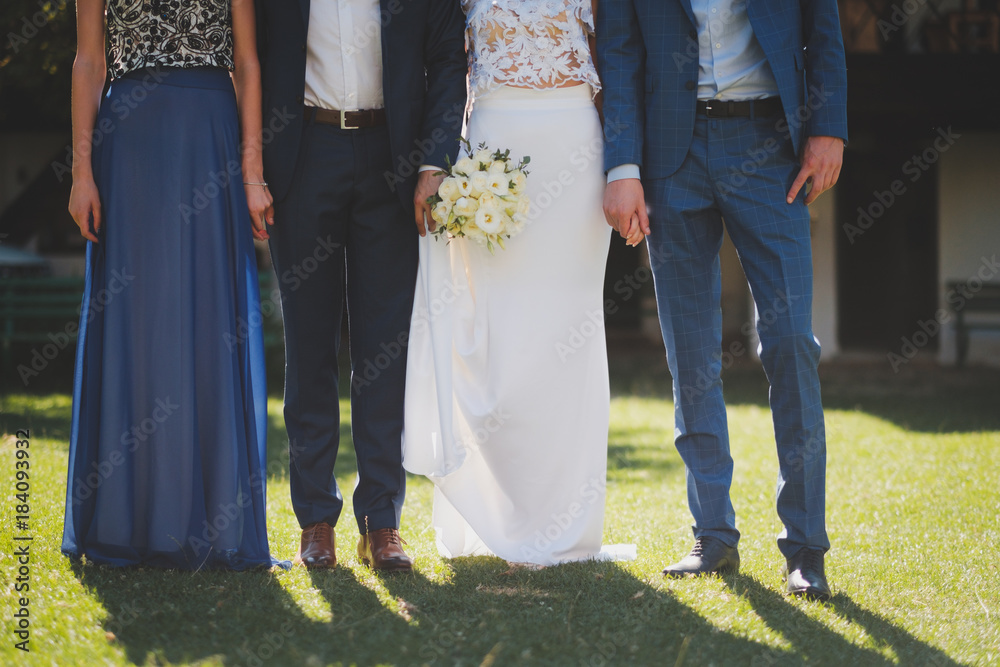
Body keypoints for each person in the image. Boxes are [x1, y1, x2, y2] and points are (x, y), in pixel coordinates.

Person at [598, 0, 848, 598]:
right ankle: (712, 535)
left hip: (769, 145)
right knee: (692, 353)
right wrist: (622, 165)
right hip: (669, 157)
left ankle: (806, 548)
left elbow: (823, 31)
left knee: (791, 343)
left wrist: (828, 128)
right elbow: (620, 52)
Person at [402, 0, 635, 566]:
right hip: (491, 144)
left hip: (575, 148)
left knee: (568, 335)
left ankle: (567, 524)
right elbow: (441, 60)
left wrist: (625, 166)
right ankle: (492, 513)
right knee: (495, 334)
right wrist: (440, 159)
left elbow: (620, 58)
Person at [63, 0, 283, 569]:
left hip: (210, 135)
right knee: (140, 319)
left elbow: (247, 62)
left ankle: (210, 520)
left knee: (209, 322)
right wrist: (82, 172)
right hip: (130, 142)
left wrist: (252, 170)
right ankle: (131, 517)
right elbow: (88, 62)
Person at [254, 0, 467, 571]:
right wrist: (254, 168)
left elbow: (449, 59)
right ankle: (316, 521)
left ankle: (382, 522)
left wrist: (435, 161)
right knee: (309, 345)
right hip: (302, 154)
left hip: (393, 161)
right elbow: (247, 58)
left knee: (385, 349)